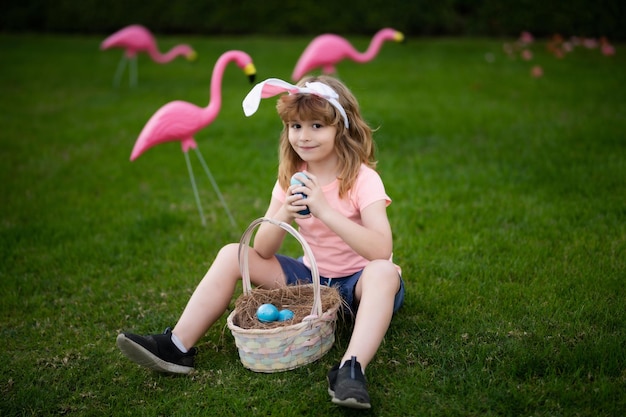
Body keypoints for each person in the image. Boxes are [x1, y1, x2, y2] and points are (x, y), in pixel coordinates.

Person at [117, 75, 405, 410]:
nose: (304, 136)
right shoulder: (292, 176)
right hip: (311, 280)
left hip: (359, 284)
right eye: (295, 126)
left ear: (340, 127)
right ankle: (177, 346)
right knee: (231, 254)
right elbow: (264, 249)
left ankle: (350, 369)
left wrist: (325, 211)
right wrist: (284, 210)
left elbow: (380, 249)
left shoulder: (362, 178)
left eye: (316, 125)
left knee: (384, 272)